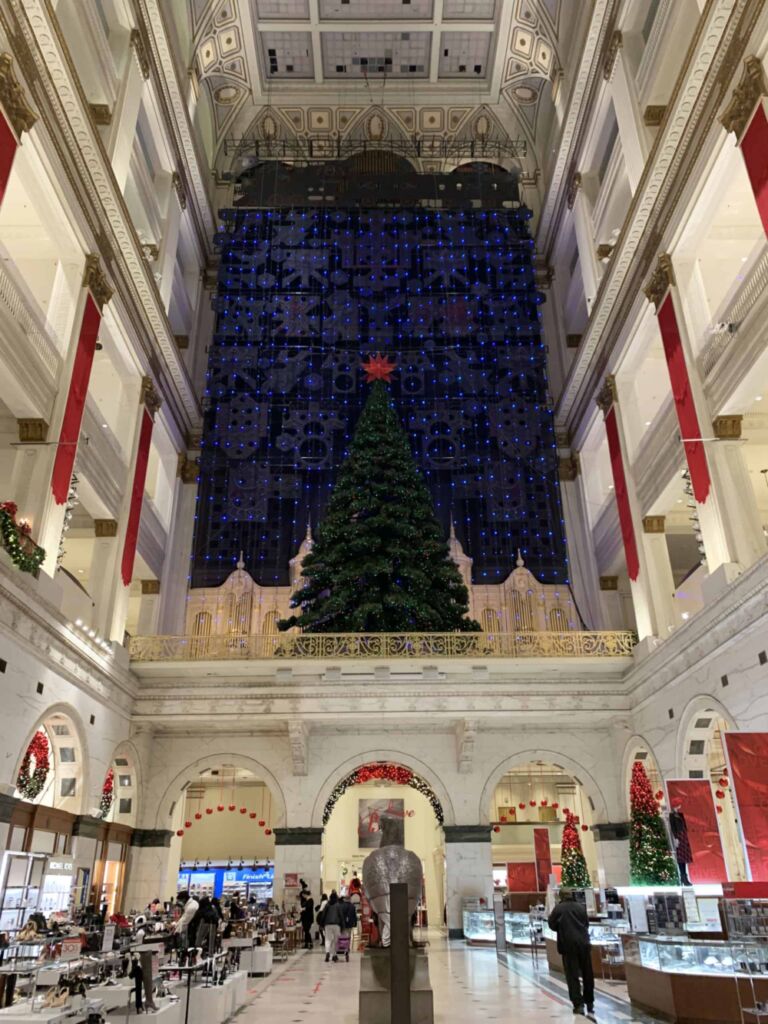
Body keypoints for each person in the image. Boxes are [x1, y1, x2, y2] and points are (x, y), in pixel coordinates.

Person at [547, 889, 594, 1018]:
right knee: (587, 973)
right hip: (584, 943)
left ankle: (578, 1004)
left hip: (568, 944)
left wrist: (561, 928)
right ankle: (590, 1002)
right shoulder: (580, 907)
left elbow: (551, 924)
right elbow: (586, 923)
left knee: (572, 975)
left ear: (560, 896)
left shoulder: (558, 909)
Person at [319, 892, 344, 963]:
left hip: (327, 925)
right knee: (335, 941)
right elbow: (341, 916)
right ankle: (334, 955)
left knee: (328, 939)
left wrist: (321, 924)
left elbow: (323, 915)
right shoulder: (338, 905)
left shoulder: (327, 905)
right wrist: (343, 926)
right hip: (336, 925)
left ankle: (327, 953)